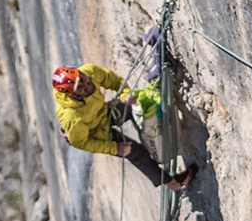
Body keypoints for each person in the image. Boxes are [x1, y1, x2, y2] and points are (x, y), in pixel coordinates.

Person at [52, 64, 195, 190]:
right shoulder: (72, 116)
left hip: (103, 114)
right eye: (80, 89)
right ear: (72, 95)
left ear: (80, 72)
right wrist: (114, 148)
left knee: (136, 106)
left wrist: (125, 95)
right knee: (134, 151)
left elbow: (115, 81)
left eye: (82, 79)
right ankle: (172, 182)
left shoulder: (91, 71)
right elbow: (81, 142)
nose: (86, 86)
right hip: (95, 133)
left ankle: (157, 139)